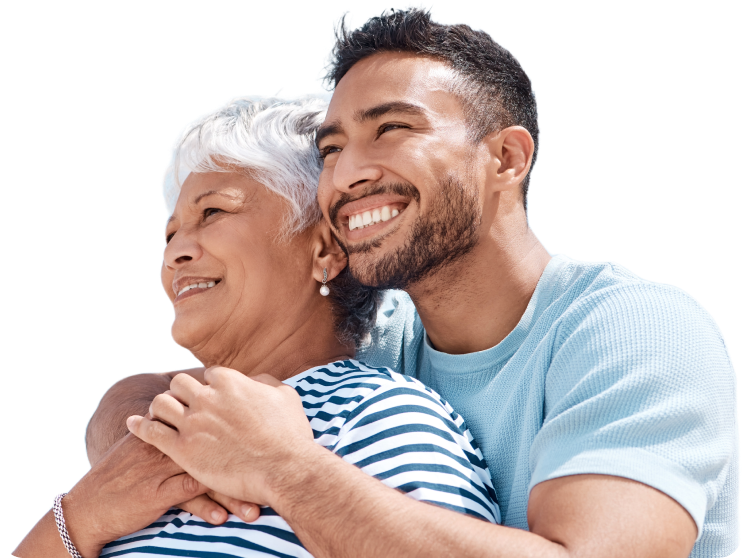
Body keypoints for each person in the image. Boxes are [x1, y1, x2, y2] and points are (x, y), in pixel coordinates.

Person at [109, 5, 737, 558]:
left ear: (506, 159)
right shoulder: (383, 336)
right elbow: (147, 395)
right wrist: (158, 452)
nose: (348, 174)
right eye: (332, 149)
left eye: (391, 129)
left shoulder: (635, 330)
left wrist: (284, 470)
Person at [12, 93, 499, 558]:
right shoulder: (152, 435)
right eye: (171, 232)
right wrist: (82, 516)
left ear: (325, 250)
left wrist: (285, 471)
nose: (175, 253)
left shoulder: (381, 414)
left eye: (213, 212)